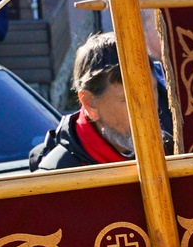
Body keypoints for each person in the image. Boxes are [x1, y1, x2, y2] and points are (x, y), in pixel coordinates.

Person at [30, 32, 165, 169]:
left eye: (151, 91)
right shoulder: (57, 178)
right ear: (90, 103)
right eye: (129, 99)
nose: (147, 109)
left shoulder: (169, 151)